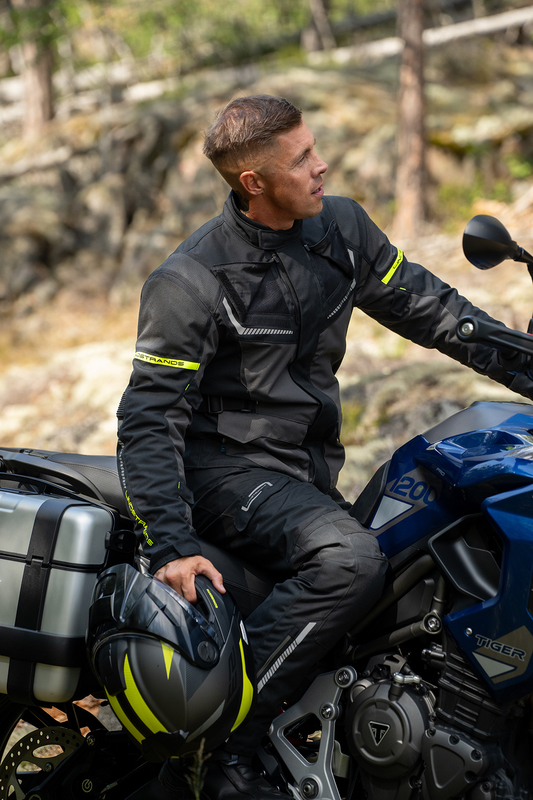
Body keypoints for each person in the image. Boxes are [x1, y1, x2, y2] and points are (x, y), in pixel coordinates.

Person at [117, 95, 533, 800]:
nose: (322, 166)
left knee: (412, 563)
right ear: (253, 182)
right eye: (302, 158)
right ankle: (219, 752)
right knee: (349, 561)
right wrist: (170, 546)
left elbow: (435, 311)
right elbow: (147, 420)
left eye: (315, 148)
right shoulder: (190, 281)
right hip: (225, 475)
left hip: (306, 476)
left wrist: (525, 365)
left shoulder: (339, 229)